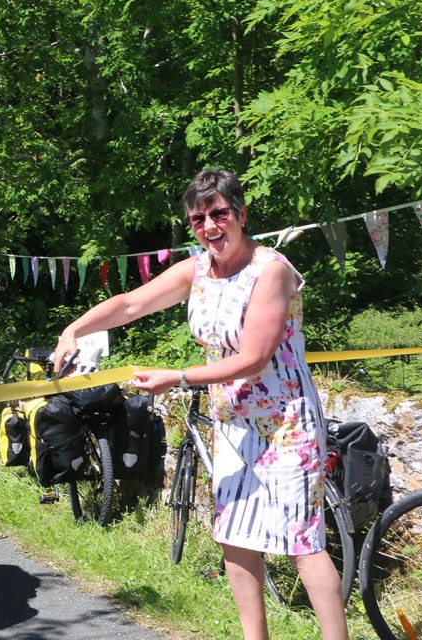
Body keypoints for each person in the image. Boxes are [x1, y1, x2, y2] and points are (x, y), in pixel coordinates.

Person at [51, 169, 348, 640]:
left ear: (241, 214)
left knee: (300, 540)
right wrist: (75, 330)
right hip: (232, 422)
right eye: (198, 219)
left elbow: (254, 357)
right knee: (235, 537)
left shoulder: (270, 270)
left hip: (286, 424)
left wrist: (178, 378)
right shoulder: (198, 269)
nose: (210, 226)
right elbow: (130, 304)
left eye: (219, 214)